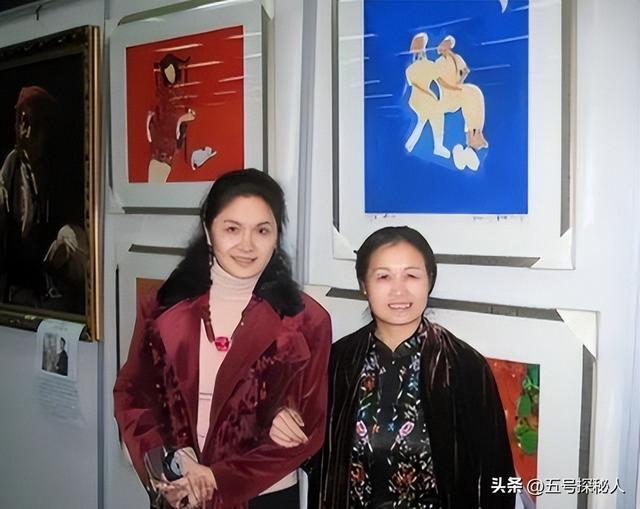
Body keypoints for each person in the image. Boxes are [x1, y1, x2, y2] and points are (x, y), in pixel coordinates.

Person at [113, 169, 332, 509]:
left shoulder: (307, 320)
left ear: (276, 237)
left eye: (262, 230)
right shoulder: (162, 306)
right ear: (208, 230)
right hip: (181, 489)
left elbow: (310, 429)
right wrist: (168, 460)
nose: (247, 245)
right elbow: (132, 396)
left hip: (263, 498)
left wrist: (217, 478)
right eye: (232, 229)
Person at [271, 226, 515, 508]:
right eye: (383, 276)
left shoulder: (462, 366)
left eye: (411, 275)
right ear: (364, 284)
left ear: (429, 280)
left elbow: (497, 472)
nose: (399, 290)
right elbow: (310, 451)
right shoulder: (337, 361)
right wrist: (280, 419)